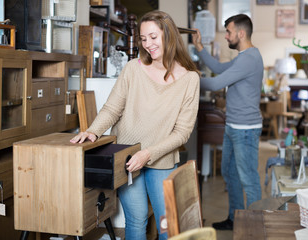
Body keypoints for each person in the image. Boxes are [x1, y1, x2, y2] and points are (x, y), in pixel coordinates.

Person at [70, 10, 200, 240]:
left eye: (153, 37)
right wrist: (93, 131)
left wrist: (147, 153)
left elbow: (182, 133)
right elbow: (112, 109)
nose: (148, 44)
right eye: (143, 38)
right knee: (136, 221)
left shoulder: (190, 79)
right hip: (127, 158)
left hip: (161, 159)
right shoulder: (133, 69)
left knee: (168, 228)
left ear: (168, 35)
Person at [192, 14, 263, 230]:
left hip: (245, 130)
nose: (226, 36)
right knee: (230, 174)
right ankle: (235, 218)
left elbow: (215, 83)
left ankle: (254, 227)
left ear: (241, 33)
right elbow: (219, 68)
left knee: (248, 179)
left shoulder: (250, 58)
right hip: (234, 126)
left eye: (229, 32)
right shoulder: (244, 57)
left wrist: (186, 79)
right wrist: (199, 47)